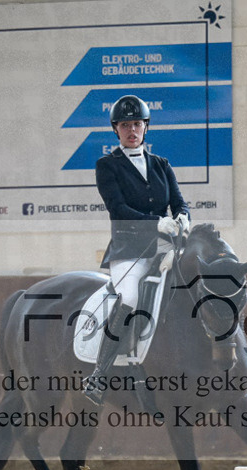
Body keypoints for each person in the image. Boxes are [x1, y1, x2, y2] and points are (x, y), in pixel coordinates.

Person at [83, 94, 190, 405]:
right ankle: (100, 375)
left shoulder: (161, 165)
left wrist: (183, 216)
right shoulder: (107, 166)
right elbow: (117, 208)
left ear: (146, 127)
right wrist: (157, 222)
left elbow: (179, 202)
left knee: (199, 283)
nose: (132, 130)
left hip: (165, 249)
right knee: (129, 296)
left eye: (137, 124)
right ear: (116, 130)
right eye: (125, 125)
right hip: (129, 252)